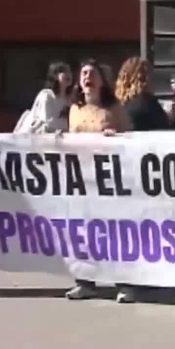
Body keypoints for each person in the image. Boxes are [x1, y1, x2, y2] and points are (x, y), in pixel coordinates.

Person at [64, 59, 136, 303]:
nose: (87, 77)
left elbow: (132, 137)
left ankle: (125, 284)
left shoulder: (114, 108)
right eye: (83, 73)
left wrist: (115, 137)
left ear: (102, 81)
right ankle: (85, 283)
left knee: (114, 232)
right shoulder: (75, 109)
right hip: (82, 182)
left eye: (92, 73)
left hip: (109, 181)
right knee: (83, 232)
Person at [14, 60, 73, 134]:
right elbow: (48, 122)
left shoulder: (69, 99)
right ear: (55, 76)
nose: (69, 74)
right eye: (64, 71)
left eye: (70, 71)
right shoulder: (46, 95)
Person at [114, 56, 169, 131]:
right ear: (145, 78)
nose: (155, 82)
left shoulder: (119, 104)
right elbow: (164, 129)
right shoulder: (148, 102)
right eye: (152, 76)